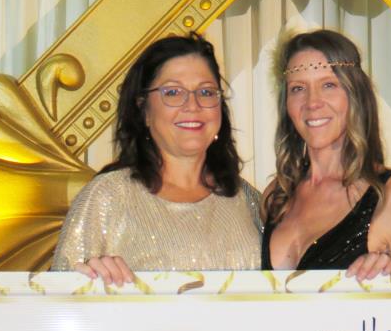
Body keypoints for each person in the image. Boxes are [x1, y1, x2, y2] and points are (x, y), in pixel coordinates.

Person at [52, 33, 261, 282]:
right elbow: (59, 294)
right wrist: (89, 280)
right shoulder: (107, 197)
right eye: (173, 92)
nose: (192, 105)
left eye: (206, 92)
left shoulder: (246, 199)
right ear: (144, 110)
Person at [262, 29, 391, 278]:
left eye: (329, 85)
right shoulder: (277, 195)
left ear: (355, 95)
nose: (312, 102)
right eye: (298, 88)